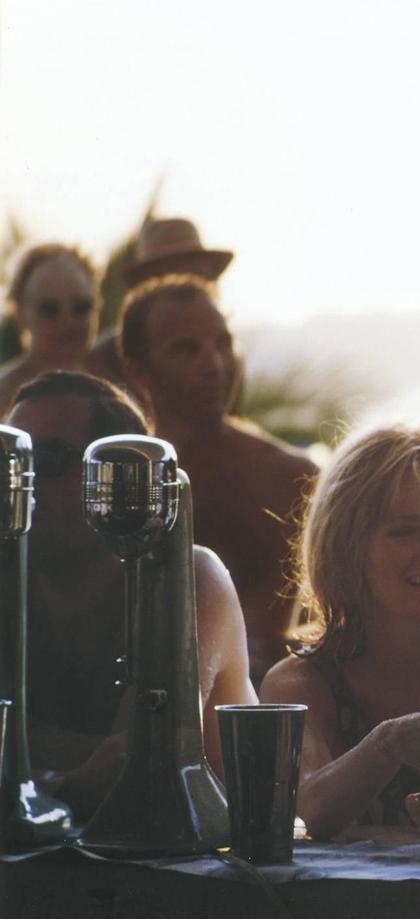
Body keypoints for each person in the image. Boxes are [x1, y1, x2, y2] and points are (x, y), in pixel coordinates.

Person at [7, 371, 256, 819]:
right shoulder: (9, 580)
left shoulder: (188, 576)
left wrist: (31, 770)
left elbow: (143, 762)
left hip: (207, 858)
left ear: (118, 479)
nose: (26, 484)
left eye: (48, 461)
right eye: (13, 466)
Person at [259, 426, 420, 839]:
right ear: (345, 546)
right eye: (404, 531)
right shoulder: (302, 683)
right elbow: (308, 811)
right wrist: (387, 745)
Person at [119, 274, 318, 682]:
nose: (214, 365)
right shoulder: (121, 486)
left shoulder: (291, 478)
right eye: (185, 350)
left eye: (223, 343)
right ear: (138, 371)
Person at [84, 216, 235, 391]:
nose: (185, 288)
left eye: (195, 278)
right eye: (171, 279)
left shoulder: (229, 357)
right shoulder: (102, 361)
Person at [0, 245, 99, 412]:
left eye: (81, 307)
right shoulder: (3, 396)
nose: (67, 321)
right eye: (50, 309)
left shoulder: (120, 392)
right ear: (20, 315)